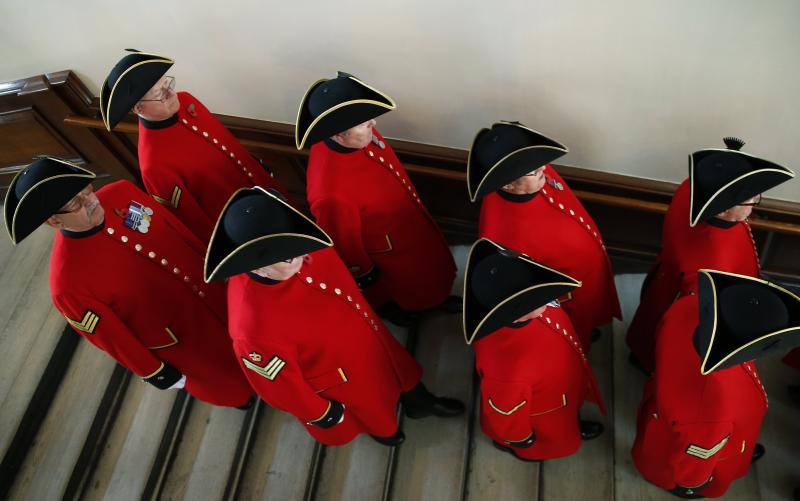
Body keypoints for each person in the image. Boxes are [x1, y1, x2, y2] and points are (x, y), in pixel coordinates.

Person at [203, 186, 464, 446]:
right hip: (342, 375)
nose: (303, 254)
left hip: (369, 337)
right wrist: (321, 412)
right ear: (259, 266)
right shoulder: (250, 328)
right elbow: (279, 386)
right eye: (287, 256)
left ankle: (419, 402)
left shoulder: (300, 246)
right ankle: (385, 431)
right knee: (372, 409)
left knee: (400, 372)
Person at [4, 156, 253, 407]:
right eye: (75, 203)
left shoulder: (121, 192)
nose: (91, 201)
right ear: (54, 221)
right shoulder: (67, 284)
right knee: (229, 380)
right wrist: (154, 371)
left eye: (86, 191)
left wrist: (213, 261)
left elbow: (175, 227)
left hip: (215, 290)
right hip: (185, 337)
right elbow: (113, 338)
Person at [295, 71, 457, 325]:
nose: (374, 126)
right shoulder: (330, 193)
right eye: (364, 124)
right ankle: (416, 312)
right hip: (395, 259)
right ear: (338, 135)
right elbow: (348, 250)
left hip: (411, 231)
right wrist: (376, 291)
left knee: (435, 272)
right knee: (417, 294)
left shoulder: (357, 138)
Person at [626, 137, 795, 373]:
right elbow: (704, 315)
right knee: (669, 344)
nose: (756, 202)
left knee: (651, 317)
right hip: (687, 304)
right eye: (750, 200)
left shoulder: (693, 188)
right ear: (724, 208)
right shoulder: (711, 257)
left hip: (666, 279)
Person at [632, 269, 800, 498]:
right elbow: (695, 457)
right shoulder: (713, 406)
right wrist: (693, 482)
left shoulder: (688, 306)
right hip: (699, 437)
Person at [100, 49, 284, 244]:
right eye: (160, 93)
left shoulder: (186, 100)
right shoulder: (154, 164)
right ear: (138, 108)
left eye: (168, 83)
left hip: (265, 191)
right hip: (244, 228)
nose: (171, 93)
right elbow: (191, 220)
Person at [470, 121, 620, 350]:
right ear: (509, 185)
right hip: (567, 294)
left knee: (590, 311)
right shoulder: (506, 235)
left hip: (586, 273)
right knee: (576, 328)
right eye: (533, 169)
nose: (543, 169)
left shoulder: (535, 177)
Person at [462, 237, 605, 461]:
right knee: (552, 438)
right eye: (535, 298)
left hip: (561, 385)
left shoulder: (535, 312)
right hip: (544, 414)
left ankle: (572, 420)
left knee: (568, 415)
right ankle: (527, 453)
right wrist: (521, 438)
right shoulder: (508, 369)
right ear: (515, 313)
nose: (546, 299)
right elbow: (505, 412)